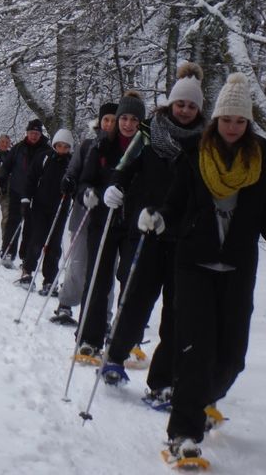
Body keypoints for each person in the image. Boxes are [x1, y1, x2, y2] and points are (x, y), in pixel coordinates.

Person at [137, 72, 266, 463]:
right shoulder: (195, 155)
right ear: (215, 121)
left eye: (240, 121)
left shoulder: (260, 162)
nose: (233, 127)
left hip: (237, 268)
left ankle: (201, 402)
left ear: (247, 124)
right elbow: (175, 204)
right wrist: (159, 219)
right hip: (193, 264)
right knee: (195, 351)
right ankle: (183, 433)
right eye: (227, 120)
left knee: (233, 355)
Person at [99, 63, 206, 391]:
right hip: (144, 229)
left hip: (184, 236)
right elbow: (124, 167)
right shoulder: (148, 132)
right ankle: (115, 357)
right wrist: (115, 186)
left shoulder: (205, 141)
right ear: (171, 104)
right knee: (137, 299)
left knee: (177, 312)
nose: (185, 110)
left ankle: (163, 379)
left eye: (191, 105)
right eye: (180, 104)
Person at [75, 91, 146, 358]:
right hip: (102, 222)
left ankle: (123, 340)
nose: (128, 124)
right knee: (98, 279)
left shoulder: (147, 150)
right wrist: (88, 195)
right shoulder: (102, 146)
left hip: (133, 226)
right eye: (124, 118)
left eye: (134, 120)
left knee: (130, 280)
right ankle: (89, 338)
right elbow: (85, 180)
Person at [51, 102, 117, 326]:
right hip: (84, 213)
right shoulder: (87, 145)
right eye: (106, 119)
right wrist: (69, 181)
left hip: (111, 219)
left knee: (106, 268)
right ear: (100, 122)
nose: (109, 124)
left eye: (113, 120)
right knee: (78, 263)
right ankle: (66, 303)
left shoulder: (124, 149)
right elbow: (73, 170)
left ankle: (103, 316)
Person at [16, 129, 74, 292]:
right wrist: (26, 199)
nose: (62, 149)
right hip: (40, 206)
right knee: (37, 239)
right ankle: (27, 271)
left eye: (66, 146)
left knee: (54, 244)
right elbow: (31, 179)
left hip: (60, 209)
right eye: (59, 145)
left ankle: (50, 279)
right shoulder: (44, 157)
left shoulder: (72, 163)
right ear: (55, 144)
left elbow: (77, 183)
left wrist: (72, 188)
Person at [0, 119, 50, 268]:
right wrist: (2, 177)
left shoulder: (46, 150)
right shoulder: (18, 148)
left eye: (37, 133)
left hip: (35, 194)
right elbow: (7, 166)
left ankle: (26, 257)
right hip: (17, 190)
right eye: (31, 133)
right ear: (27, 133)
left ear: (40, 134)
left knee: (31, 227)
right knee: (13, 222)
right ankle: (8, 252)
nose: (34, 136)